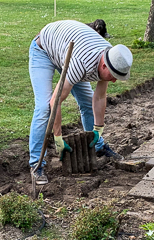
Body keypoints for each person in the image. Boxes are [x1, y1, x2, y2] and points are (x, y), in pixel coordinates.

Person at [28, 19, 133, 185]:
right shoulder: (81, 64)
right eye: (113, 76)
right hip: (44, 50)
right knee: (43, 108)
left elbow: (99, 97)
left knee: (87, 102)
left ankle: (97, 145)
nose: (114, 80)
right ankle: (36, 164)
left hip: (69, 51)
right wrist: (58, 138)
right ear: (104, 66)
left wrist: (98, 129)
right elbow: (56, 101)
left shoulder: (111, 56)